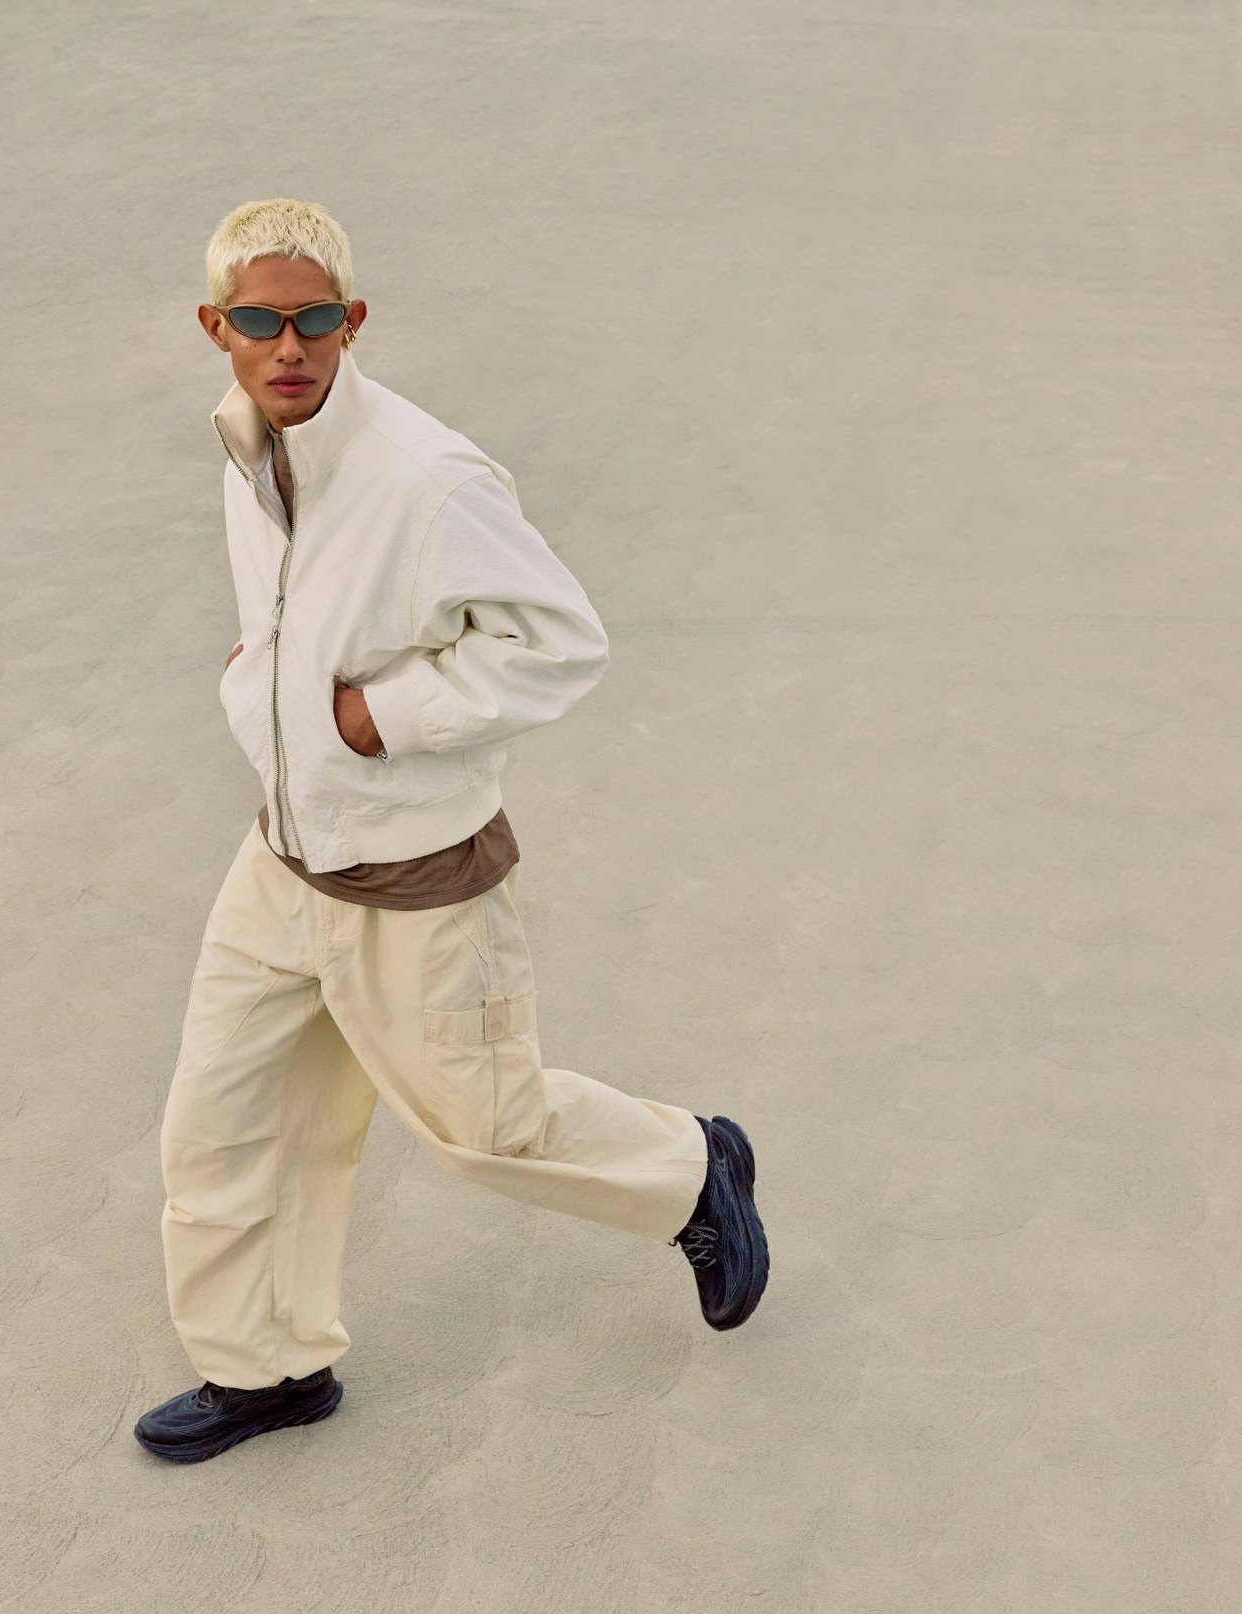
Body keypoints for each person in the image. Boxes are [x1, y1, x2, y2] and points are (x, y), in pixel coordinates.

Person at [136, 198, 768, 1464]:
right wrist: (259, 687)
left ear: (352, 320)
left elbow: (560, 642)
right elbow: (294, 615)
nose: (287, 345)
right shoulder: (249, 447)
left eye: (314, 317)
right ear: (216, 327)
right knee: (221, 1126)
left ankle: (691, 1169)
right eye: (258, 320)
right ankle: (266, 1368)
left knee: (487, 1129)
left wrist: (380, 717)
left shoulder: (429, 477)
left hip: (417, 871)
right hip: (283, 855)